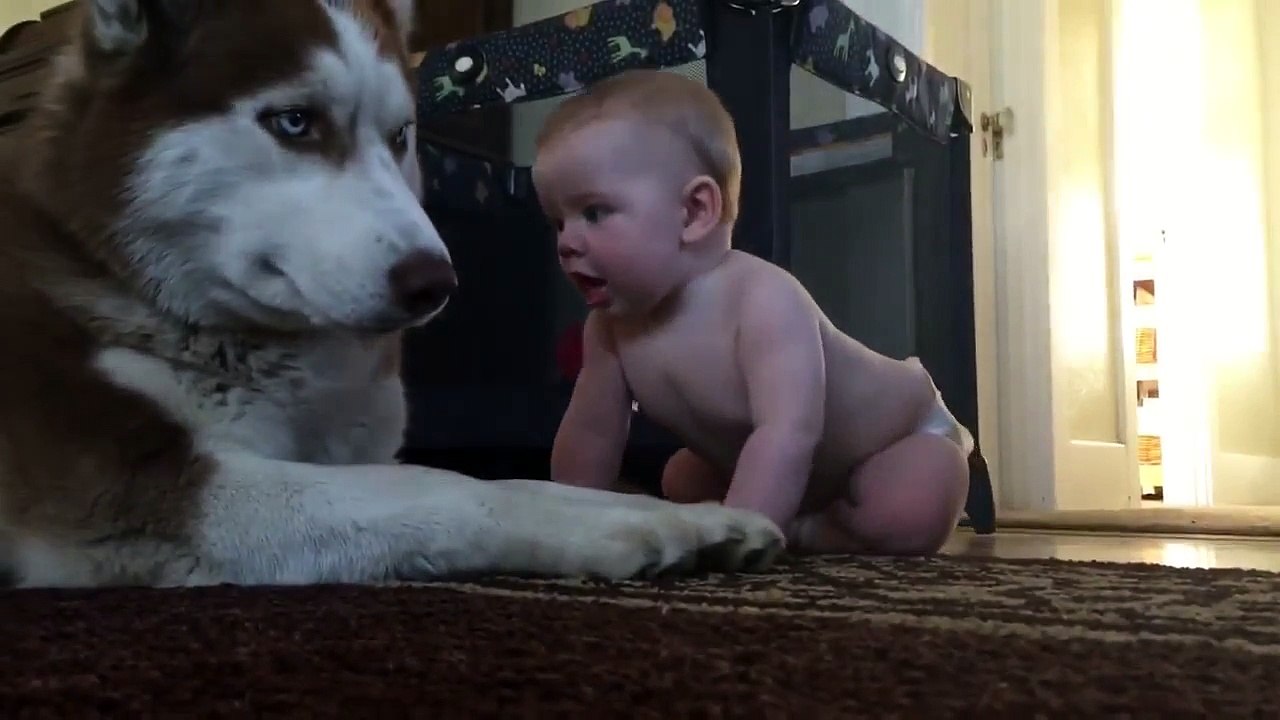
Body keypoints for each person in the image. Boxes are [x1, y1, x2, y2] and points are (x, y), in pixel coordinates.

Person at [531, 69, 973, 555]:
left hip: (891, 441)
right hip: (773, 465)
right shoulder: (609, 330)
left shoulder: (763, 300)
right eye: (558, 221)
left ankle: (801, 530)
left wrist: (738, 534)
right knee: (681, 478)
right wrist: (565, 517)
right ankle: (799, 522)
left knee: (913, 505)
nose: (567, 243)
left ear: (694, 211)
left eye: (593, 213)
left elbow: (791, 429)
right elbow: (592, 432)